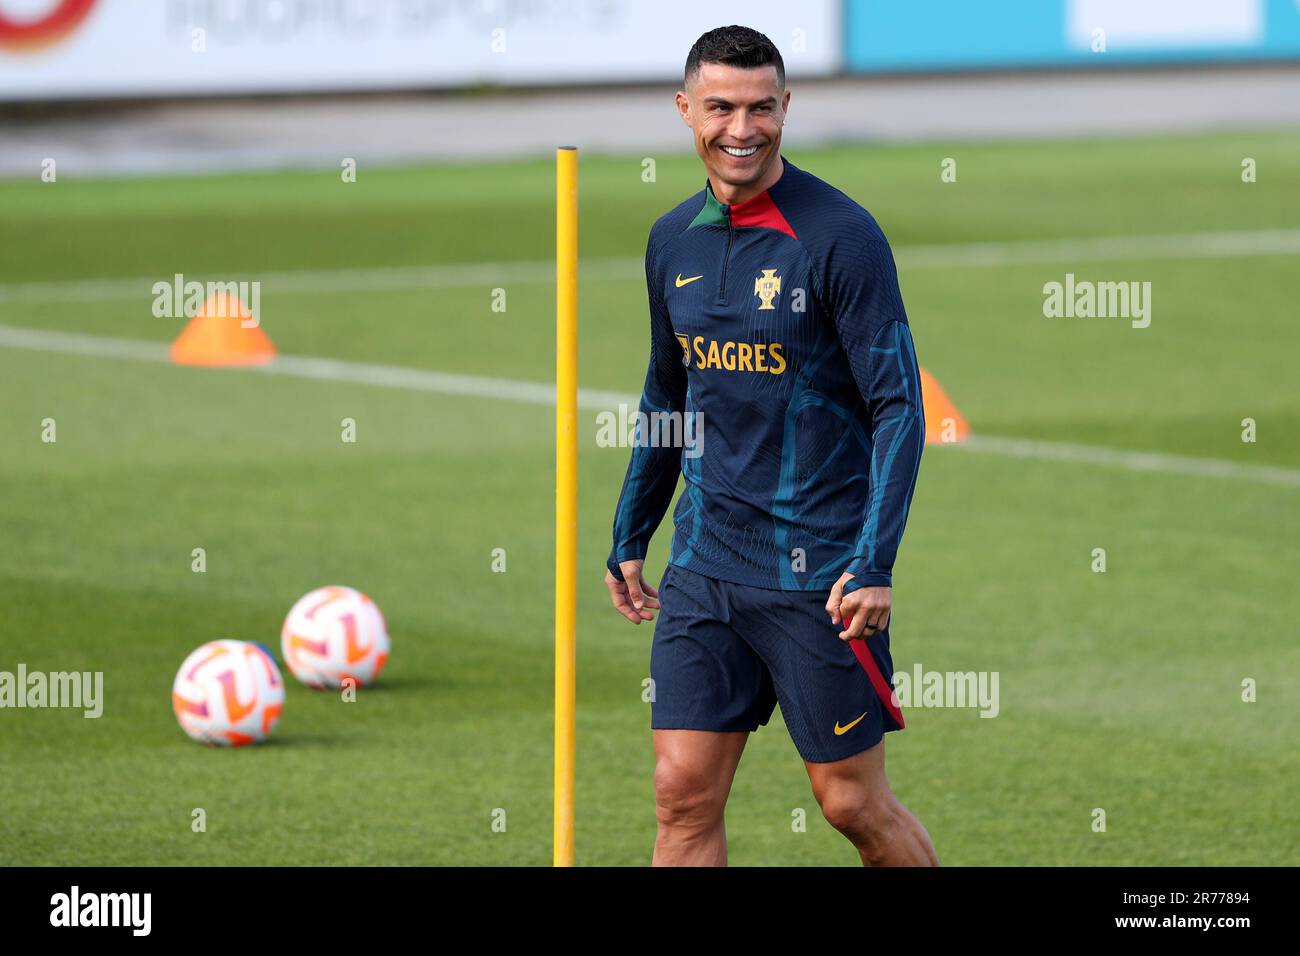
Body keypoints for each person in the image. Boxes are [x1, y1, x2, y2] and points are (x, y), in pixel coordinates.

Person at [603, 25, 939, 867]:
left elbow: (900, 404)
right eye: (720, 107)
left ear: (787, 107)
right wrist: (632, 530)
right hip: (706, 563)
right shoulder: (670, 239)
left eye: (761, 108)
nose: (741, 128)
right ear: (686, 111)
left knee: (850, 804)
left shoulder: (840, 238)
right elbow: (667, 392)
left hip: (818, 574)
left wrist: (874, 560)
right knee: (681, 794)